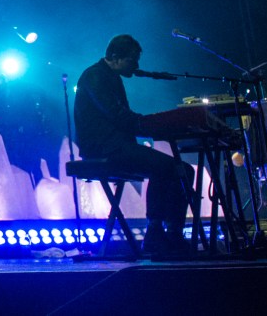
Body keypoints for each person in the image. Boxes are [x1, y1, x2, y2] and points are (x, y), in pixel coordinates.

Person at [74, 34, 195, 257]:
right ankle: (157, 234)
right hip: (104, 148)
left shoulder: (111, 77)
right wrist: (153, 125)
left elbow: (124, 119)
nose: (137, 66)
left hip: (116, 146)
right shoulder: (95, 77)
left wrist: (152, 125)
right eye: (132, 60)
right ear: (114, 57)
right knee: (169, 168)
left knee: (182, 170)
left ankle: (169, 234)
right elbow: (119, 116)